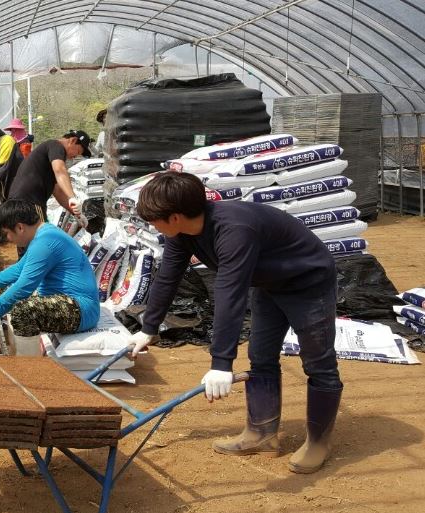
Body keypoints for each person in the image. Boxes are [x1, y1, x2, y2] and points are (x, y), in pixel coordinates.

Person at [126, 172, 342, 474]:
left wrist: (221, 363)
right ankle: (262, 434)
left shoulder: (235, 229)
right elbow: (168, 277)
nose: (152, 225)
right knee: (261, 356)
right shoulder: (181, 234)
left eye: (154, 220)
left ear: (174, 217)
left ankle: (318, 442)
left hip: (308, 281)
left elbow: (230, 292)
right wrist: (148, 328)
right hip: (269, 283)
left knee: (319, 363)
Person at [0, 199, 99, 349]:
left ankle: (29, 367)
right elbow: (19, 269)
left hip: (81, 310)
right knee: (10, 295)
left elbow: (24, 286)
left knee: (22, 311)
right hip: (73, 304)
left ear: (19, 227)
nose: (9, 240)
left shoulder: (45, 242)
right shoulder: (45, 234)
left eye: (7, 233)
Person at [7, 130, 92, 221]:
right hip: (30, 202)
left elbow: (58, 191)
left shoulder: (49, 157)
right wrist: (72, 197)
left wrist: (76, 214)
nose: (75, 156)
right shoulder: (56, 146)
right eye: (78, 151)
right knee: (41, 233)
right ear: (73, 141)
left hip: (18, 202)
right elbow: (60, 170)